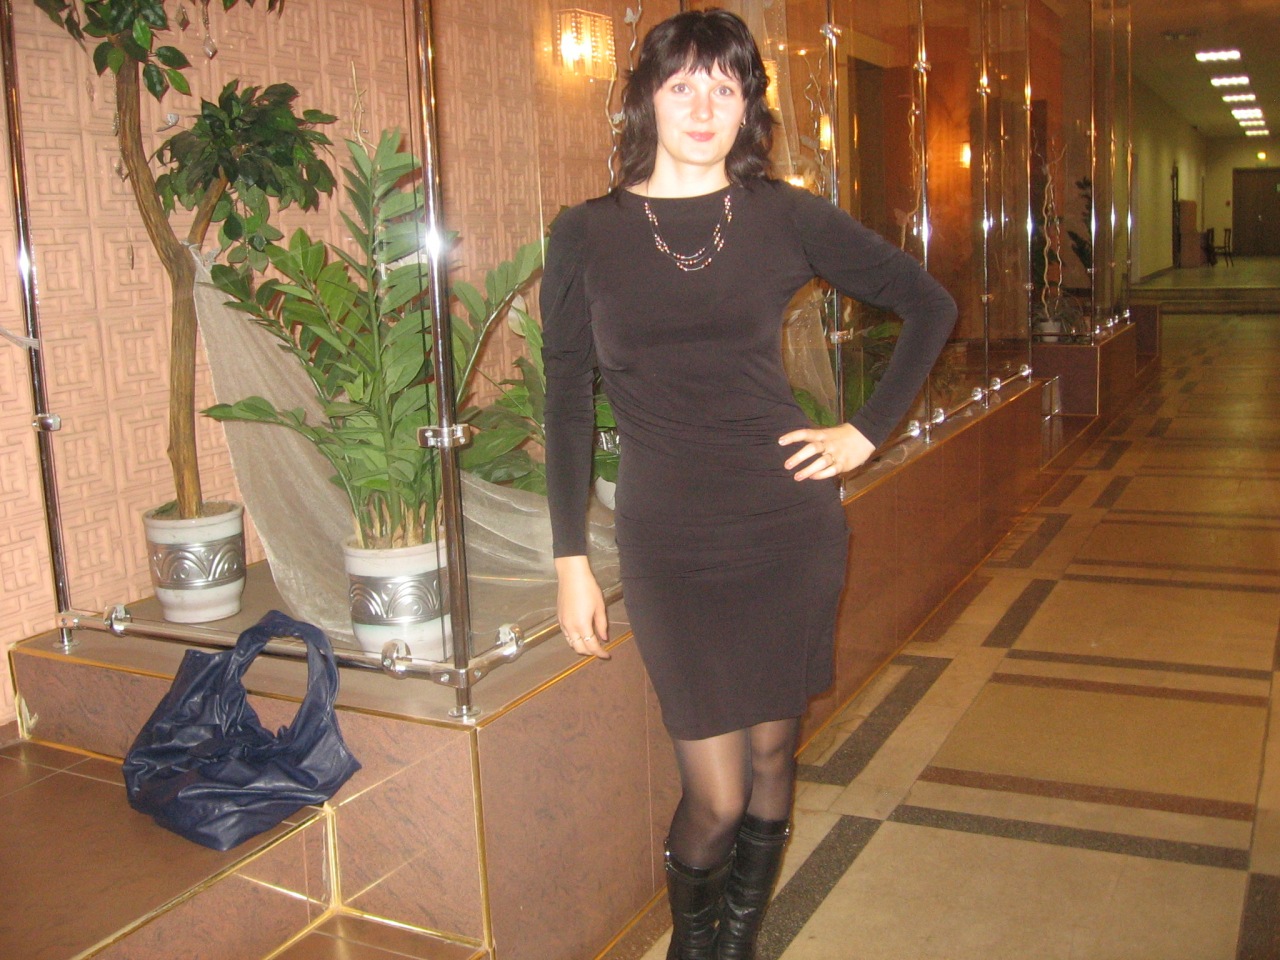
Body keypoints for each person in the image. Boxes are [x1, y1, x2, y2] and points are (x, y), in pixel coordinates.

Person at [541, 10, 957, 959]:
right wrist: (570, 558)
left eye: (724, 88)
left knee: (772, 752)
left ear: (747, 108)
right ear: (645, 100)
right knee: (716, 795)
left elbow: (928, 303)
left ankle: (734, 945)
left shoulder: (782, 215)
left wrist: (865, 432)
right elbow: (566, 401)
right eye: (682, 85)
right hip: (669, 544)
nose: (703, 107)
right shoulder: (585, 235)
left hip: (784, 527)